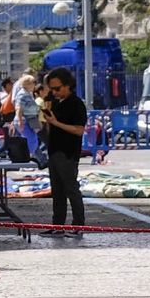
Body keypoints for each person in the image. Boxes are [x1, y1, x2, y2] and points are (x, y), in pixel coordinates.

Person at [40, 66, 88, 237]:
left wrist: (56, 123)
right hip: (54, 151)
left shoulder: (76, 104)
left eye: (58, 88)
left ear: (68, 85)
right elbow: (48, 126)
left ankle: (78, 226)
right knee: (57, 191)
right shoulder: (54, 102)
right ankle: (58, 225)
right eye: (52, 89)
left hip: (68, 153)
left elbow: (79, 130)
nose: (55, 92)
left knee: (71, 189)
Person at [10, 74, 42, 156]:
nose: (35, 84)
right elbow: (19, 107)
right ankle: (27, 157)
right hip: (24, 120)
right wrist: (20, 120)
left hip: (29, 120)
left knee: (32, 139)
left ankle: (29, 156)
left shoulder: (28, 93)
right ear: (27, 84)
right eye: (33, 82)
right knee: (30, 140)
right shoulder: (22, 94)